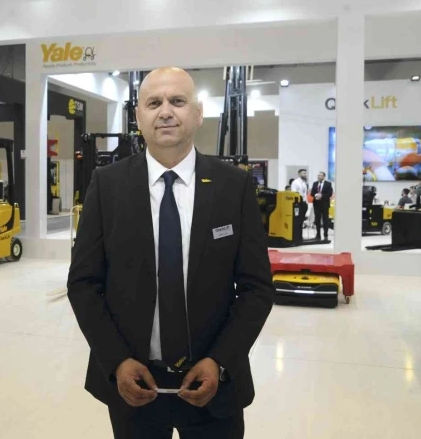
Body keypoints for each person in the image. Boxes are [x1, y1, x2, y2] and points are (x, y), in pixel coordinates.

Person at [67, 67, 274, 439]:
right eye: (154, 103)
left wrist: (220, 361)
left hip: (215, 387)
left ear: (198, 113)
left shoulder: (234, 186)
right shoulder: (107, 185)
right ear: (138, 116)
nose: (165, 112)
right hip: (133, 386)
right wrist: (117, 361)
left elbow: (257, 288)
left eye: (177, 101)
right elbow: (84, 284)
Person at [310, 171, 333, 240]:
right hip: (316, 204)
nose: (318, 176)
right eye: (318, 175)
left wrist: (322, 196)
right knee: (317, 220)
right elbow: (312, 193)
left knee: (325, 220)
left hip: (325, 204)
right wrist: (315, 195)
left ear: (323, 177)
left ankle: (325, 235)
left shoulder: (328, 184)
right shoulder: (315, 183)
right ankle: (318, 235)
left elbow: (329, 194)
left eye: (320, 175)